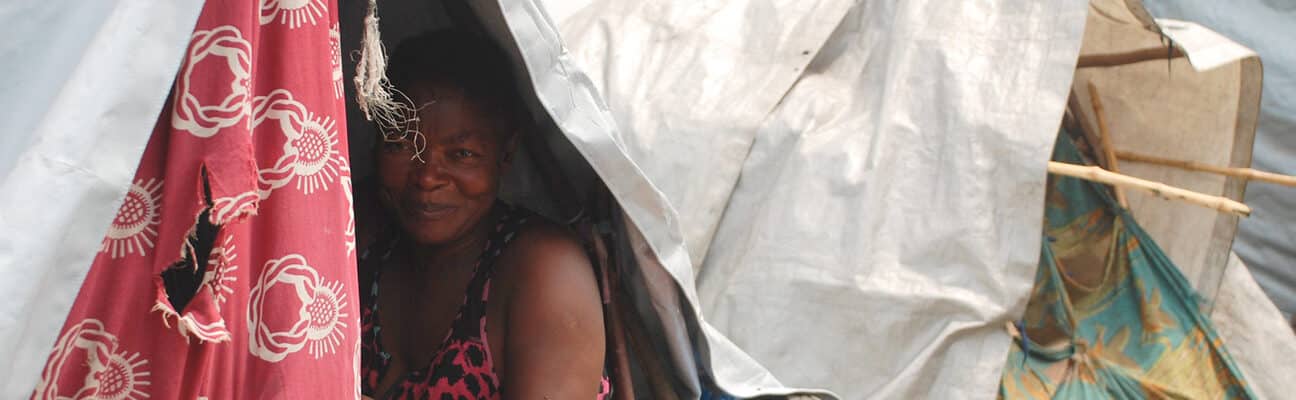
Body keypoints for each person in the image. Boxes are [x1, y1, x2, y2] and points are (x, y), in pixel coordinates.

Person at [355, 29, 609, 399]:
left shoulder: (544, 270)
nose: (426, 176)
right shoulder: (360, 232)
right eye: (400, 144)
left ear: (505, 155)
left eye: (461, 155)